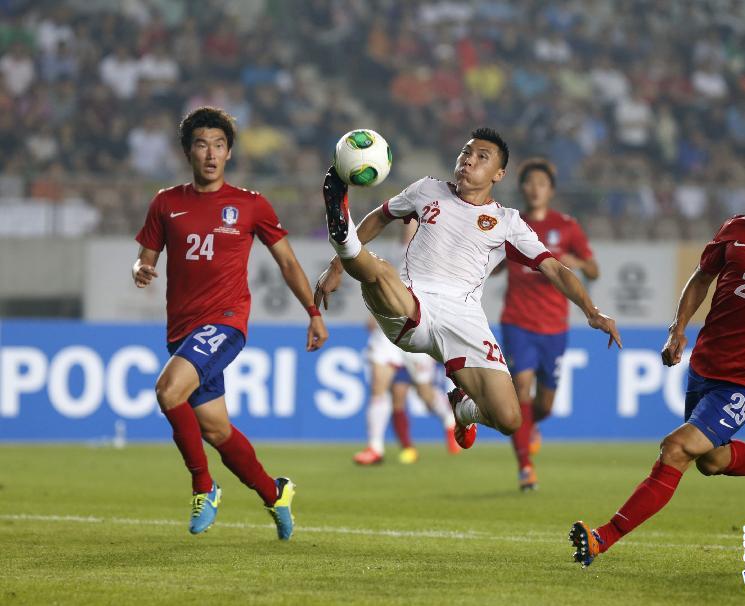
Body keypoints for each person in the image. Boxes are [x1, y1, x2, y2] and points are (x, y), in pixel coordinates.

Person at [570, 143, 745, 567]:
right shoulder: (738, 229)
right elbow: (701, 277)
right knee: (711, 460)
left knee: (675, 448)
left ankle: (601, 538)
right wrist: (679, 327)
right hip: (705, 367)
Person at [315, 127, 621, 455]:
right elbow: (380, 216)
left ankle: (463, 410)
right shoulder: (426, 189)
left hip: (464, 319)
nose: (468, 161)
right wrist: (336, 267)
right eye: (466, 153)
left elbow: (555, 269)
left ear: (499, 174)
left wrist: (592, 311)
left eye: (481, 157)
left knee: (510, 418)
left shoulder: (508, 222)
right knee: (380, 272)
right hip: (411, 301)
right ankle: (343, 236)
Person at [132, 107, 328, 540]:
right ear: (188, 152)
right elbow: (144, 259)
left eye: (219, 145)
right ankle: (274, 492)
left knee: (167, 391)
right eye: (202, 144)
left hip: (225, 322)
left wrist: (313, 313)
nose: (211, 153)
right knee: (216, 428)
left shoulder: (250, 204)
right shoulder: (166, 202)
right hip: (182, 331)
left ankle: (204, 487)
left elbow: (288, 263)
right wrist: (140, 270)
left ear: (229, 153)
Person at [497, 158, 598, 490]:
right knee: (521, 387)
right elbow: (492, 261)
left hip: (554, 326)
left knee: (544, 405)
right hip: (517, 322)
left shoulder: (567, 226)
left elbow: (594, 270)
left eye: (542, 182)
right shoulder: (509, 224)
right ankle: (525, 467)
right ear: (523, 188)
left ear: (551, 190)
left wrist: (578, 262)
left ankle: (530, 427)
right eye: (530, 182)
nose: (535, 187)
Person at [353, 320, 460, 465]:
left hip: (414, 331)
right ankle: (375, 448)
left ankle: (449, 420)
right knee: (379, 389)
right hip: (387, 333)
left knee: (424, 394)